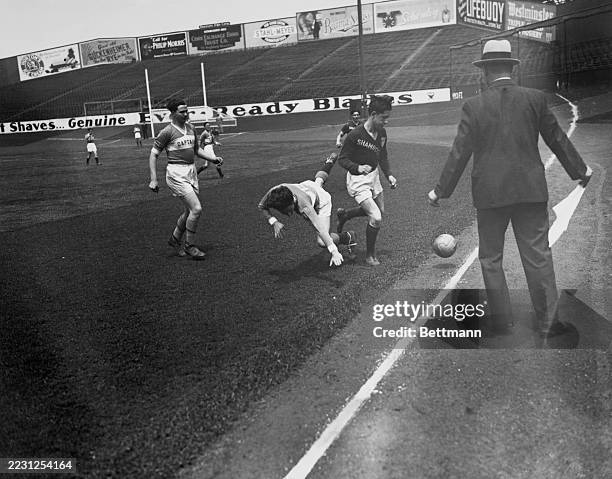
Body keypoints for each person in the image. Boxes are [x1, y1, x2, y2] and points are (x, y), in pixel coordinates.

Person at [426, 39, 592, 338]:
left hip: (490, 195)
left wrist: (441, 191)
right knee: (538, 254)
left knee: (491, 258)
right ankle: (548, 323)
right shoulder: (535, 98)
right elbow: (557, 139)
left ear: (485, 71)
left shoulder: (473, 106)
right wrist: (580, 171)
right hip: (530, 191)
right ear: (511, 69)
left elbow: (459, 152)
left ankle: (501, 322)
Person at [148, 99, 224, 260]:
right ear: (173, 113)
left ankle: (175, 239)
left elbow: (196, 150)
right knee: (196, 209)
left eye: (186, 111)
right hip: (176, 173)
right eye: (182, 111)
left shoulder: (191, 128)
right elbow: (153, 154)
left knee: (189, 211)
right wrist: (154, 179)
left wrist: (213, 158)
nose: (186, 114)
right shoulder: (167, 132)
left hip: (191, 172)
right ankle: (190, 246)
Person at [337, 95, 398, 266]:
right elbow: (342, 159)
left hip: (374, 176)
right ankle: (370, 255)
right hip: (358, 180)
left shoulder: (382, 134)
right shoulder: (355, 135)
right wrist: (357, 168)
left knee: (380, 211)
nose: (386, 122)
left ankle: (346, 215)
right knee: (376, 218)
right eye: (384, 117)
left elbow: (383, 156)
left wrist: (389, 175)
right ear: (373, 114)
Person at [258, 178, 357, 267]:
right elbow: (262, 206)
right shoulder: (273, 193)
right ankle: (322, 176)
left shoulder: (305, 208)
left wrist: (334, 252)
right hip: (306, 187)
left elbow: (320, 229)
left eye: (288, 210)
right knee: (318, 182)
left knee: (322, 242)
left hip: (321, 202)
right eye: (283, 212)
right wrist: (274, 221)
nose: (288, 213)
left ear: (292, 201)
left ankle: (348, 236)